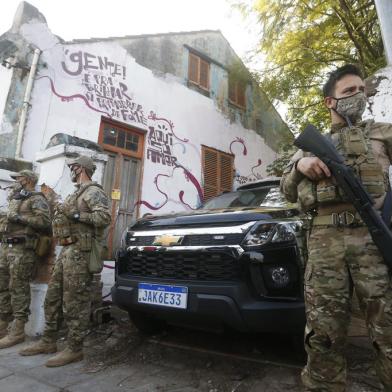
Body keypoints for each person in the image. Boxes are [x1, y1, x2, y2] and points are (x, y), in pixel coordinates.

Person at [280, 64, 392, 391]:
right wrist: (300, 165)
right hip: (324, 244)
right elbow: (286, 189)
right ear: (331, 101)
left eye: (361, 90)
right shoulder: (309, 146)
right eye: (348, 91)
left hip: (373, 239)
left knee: (387, 328)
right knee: (324, 333)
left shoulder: (381, 132)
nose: (357, 95)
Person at [20, 156, 111, 367]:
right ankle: (48, 341)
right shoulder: (76, 192)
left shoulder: (94, 192)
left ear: (81, 169)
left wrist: (77, 215)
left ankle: (74, 348)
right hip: (67, 251)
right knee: (52, 298)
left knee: (75, 302)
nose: (71, 170)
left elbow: (104, 218)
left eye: (73, 167)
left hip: (82, 253)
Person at [0, 170, 51, 348]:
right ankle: (3, 324)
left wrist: (19, 218)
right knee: (3, 286)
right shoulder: (17, 198)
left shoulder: (36, 198)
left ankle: (18, 330)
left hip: (23, 249)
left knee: (18, 288)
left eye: (19, 178)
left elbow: (44, 222)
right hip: (7, 247)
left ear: (28, 180)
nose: (16, 181)